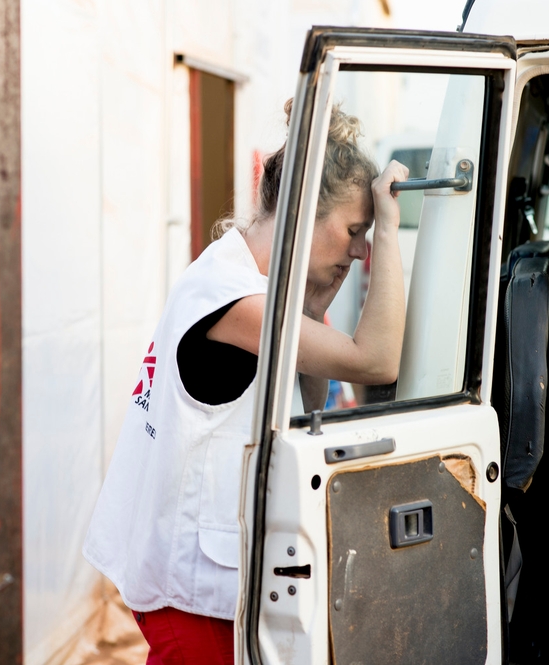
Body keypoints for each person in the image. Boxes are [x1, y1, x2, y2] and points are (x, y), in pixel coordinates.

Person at [82, 100, 409, 663]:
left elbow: (312, 398)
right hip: (191, 598)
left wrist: (317, 295)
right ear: (303, 212)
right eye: (356, 230)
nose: (360, 249)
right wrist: (393, 229)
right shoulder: (231, 297)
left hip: (201, 584)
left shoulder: (240, 278)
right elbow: (377, 360)